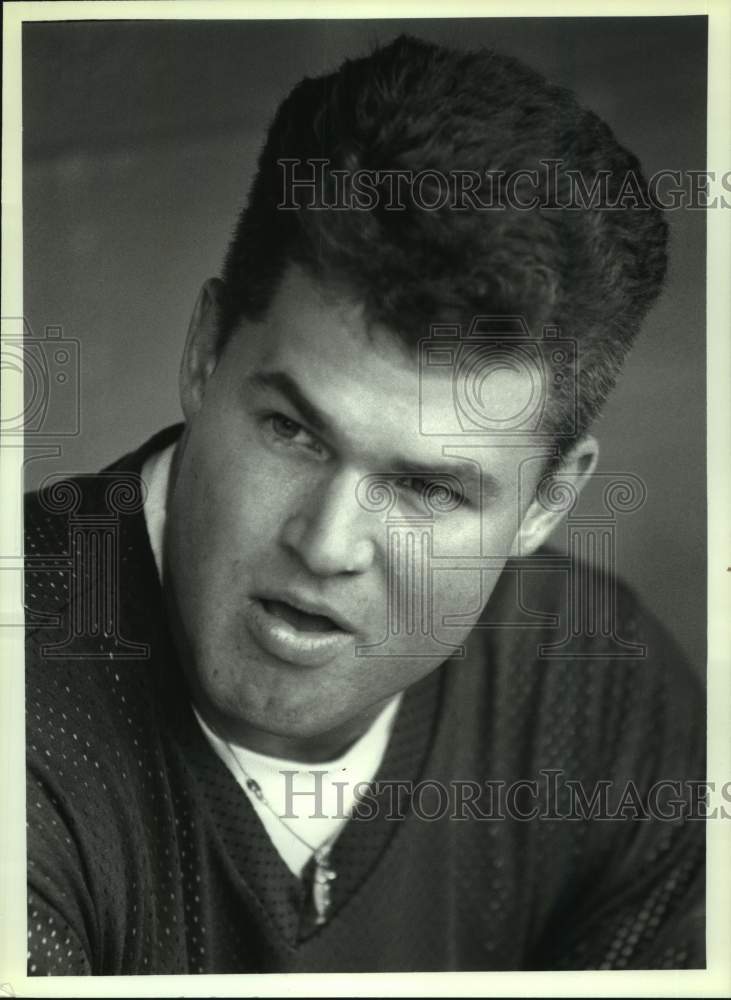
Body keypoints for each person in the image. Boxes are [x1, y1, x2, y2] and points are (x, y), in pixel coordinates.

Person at [25, 34, 704, 975]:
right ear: (204, 352)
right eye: (292, 432)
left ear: (548, 500)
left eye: (424, 487)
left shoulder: (593, 699)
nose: (326, 543)